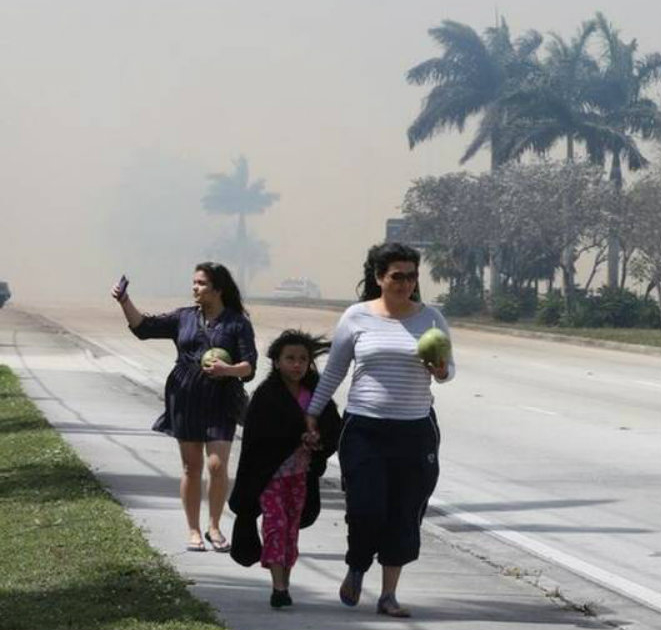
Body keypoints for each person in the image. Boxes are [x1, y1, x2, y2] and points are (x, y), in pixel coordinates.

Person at [304, 242, 454, 618]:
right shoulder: (357, 317)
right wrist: (312, 412)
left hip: (415, 430)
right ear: (379, 278)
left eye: (411, 276)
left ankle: (388, 595)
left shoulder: (431, 318)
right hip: (364, 429)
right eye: (397, 276)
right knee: (366, 507)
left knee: (405, 512)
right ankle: (357, 564)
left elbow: (449, 370)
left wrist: (439, 370)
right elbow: (336, 370)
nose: (405, 283)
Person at [112, 262, 256, 553]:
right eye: (194, 282)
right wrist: (125, 301)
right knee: (191, 467)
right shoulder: (184, 317)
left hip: (221, 398)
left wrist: (227, 370)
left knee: (217, 465)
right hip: (185, 396)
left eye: (201, 283)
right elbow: (144, 327)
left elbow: (249, 366)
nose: (195, 288)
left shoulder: (237, 323)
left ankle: (214, 526)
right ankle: (193, 530)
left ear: (218, 289)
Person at [228, 330, 343, 609]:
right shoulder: (266, 396)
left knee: (291, 530)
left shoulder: (318, 395)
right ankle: (278, 588)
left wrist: (318, 442)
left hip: (301, 477)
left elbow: (333, 429)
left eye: (303, 359)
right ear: (276, 362)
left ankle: (284, 583)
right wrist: (296, 436)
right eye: (290, 358)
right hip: (271, 477)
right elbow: (257, 438)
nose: (297, 365)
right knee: (275, 527)